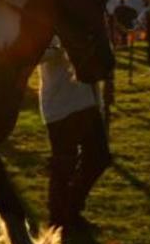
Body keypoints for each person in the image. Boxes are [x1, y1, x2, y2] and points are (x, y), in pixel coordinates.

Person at [38, 38, 110, 228]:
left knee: (99, 157)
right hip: (61, 104)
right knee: (64, 163)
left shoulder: (87, 25)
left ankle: (71, 207)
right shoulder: (50, 25)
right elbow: (36, 54)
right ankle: (60, 217)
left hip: (88, 101)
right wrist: (63, 47)